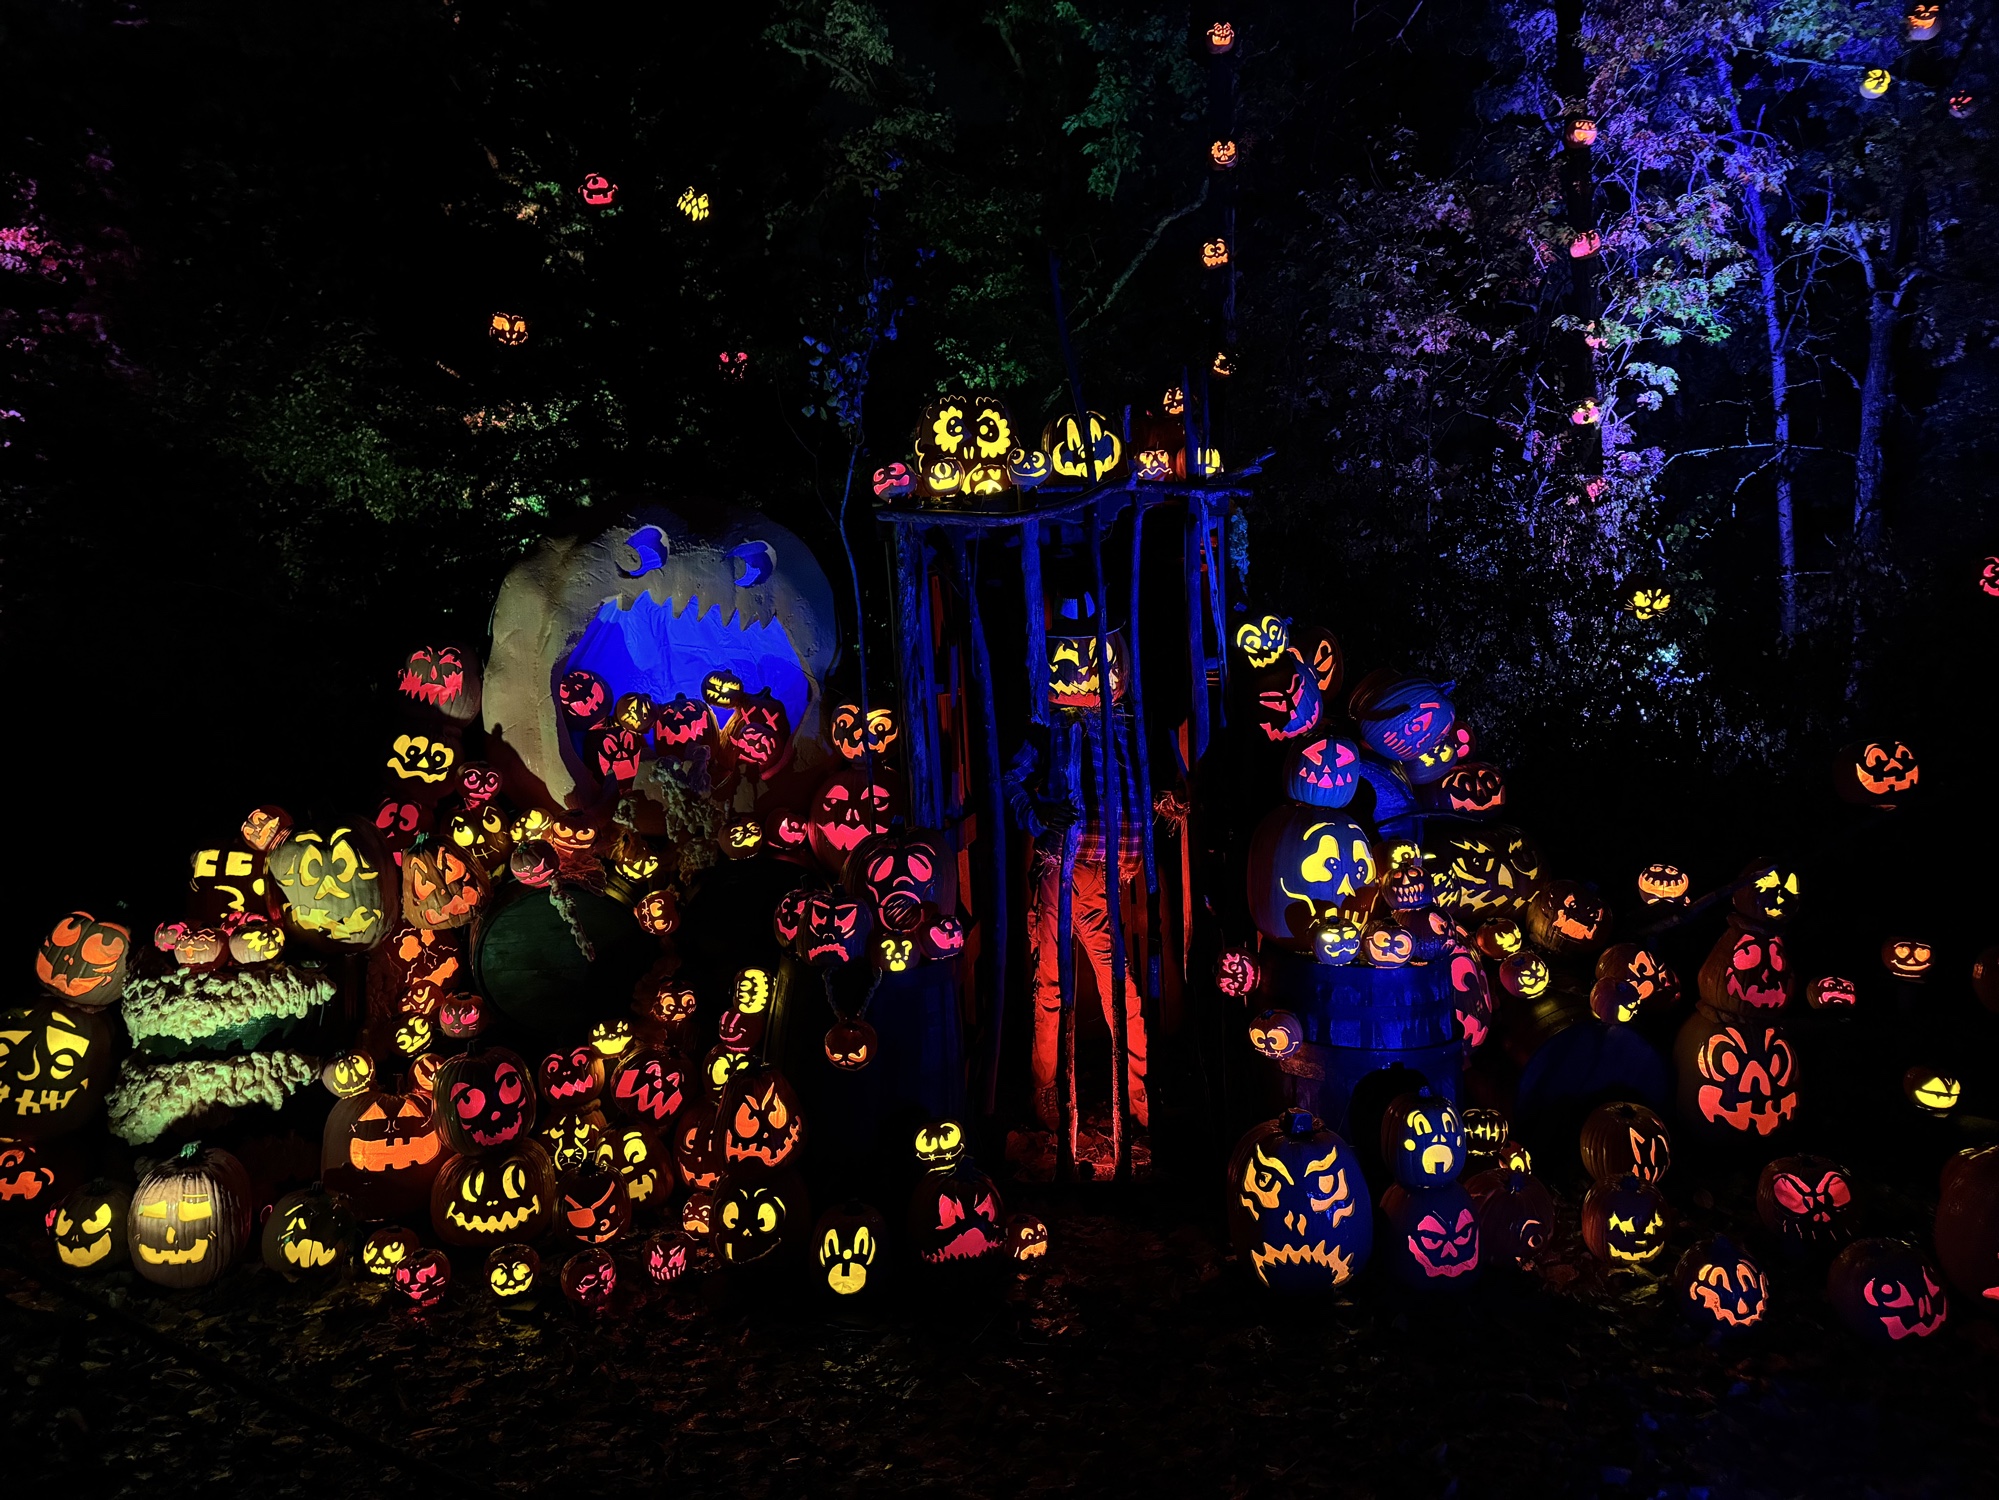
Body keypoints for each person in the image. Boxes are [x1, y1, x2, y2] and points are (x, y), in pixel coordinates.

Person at [1009, 706, 1150, 1134]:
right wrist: (1037, 815)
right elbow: (1011, 779)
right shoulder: (1051, 726)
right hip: (1060, 869)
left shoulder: (1125, 724)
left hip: (1104, 878)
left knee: (1120, 987)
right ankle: (1045, 1089)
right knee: (1051, 985)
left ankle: (1138, 1094)